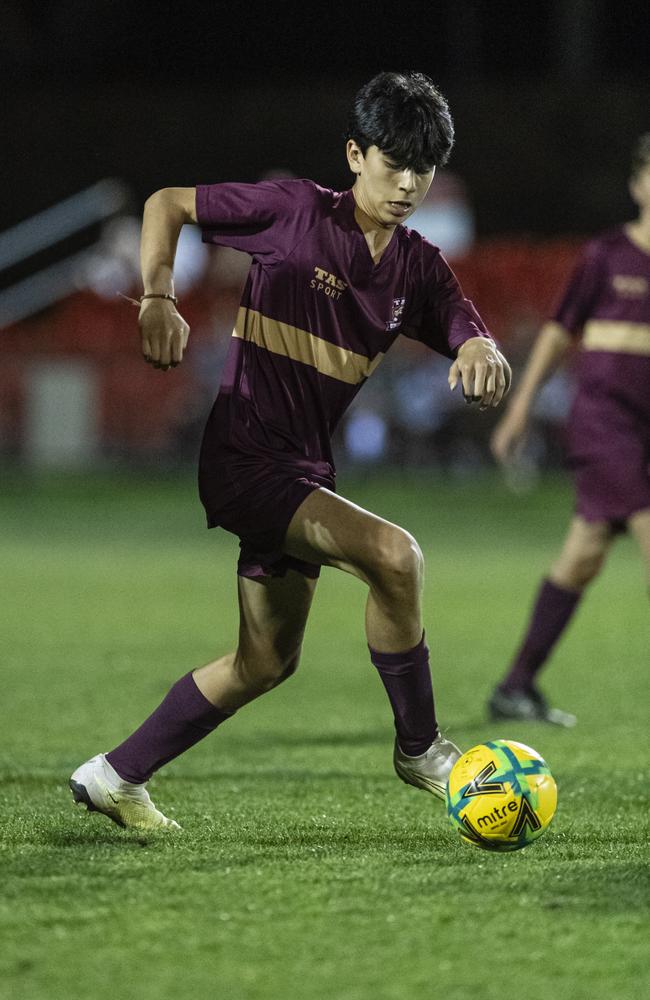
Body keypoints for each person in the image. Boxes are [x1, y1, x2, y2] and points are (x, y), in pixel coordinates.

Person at [69, 71, 510, 831]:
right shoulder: (296, 212)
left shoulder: (416, 268)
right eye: (391, 163)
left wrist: (483, 350)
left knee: (264, 662)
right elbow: (166, 204)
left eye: (422, 170)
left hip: (302, 468)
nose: (407, 184)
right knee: (395, 556)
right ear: (354, 154)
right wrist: (158, 296)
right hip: (244, 456)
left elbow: (465, 323)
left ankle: (113, 775)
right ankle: (421, 749)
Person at [488, 133, 650, 727]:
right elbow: (558, 333)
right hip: (607, 424)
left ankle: (514, 687)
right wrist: (520, 408)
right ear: (637, 184)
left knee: (582, 558)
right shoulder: (606, 256)